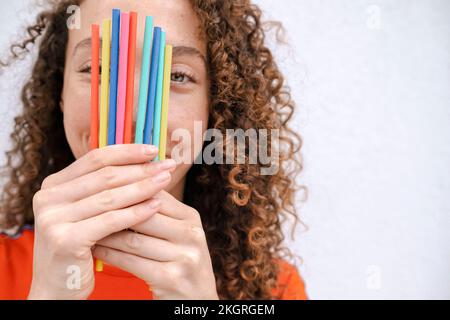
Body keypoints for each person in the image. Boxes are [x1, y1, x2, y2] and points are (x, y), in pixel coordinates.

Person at [0, 0, 307, 300]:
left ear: (213, 108)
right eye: (99, 67)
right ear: (60, 94)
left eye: (177, 75)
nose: (132, 112)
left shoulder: (274, 289)